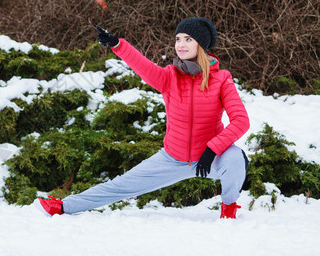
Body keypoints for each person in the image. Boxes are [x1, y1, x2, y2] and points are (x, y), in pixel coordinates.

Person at [34, 17, 250, 219]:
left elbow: (241, 120)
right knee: (121, 185)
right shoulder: (169, 77)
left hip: (210, 158)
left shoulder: (221, 79)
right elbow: (142, 65)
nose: (180, 44)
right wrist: (117, 44)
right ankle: (64, 207)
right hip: (172, 159)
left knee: (236, 158)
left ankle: (228, 211)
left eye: (188, 39)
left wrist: (212, 150)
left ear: (200, 45)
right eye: (177, 39)